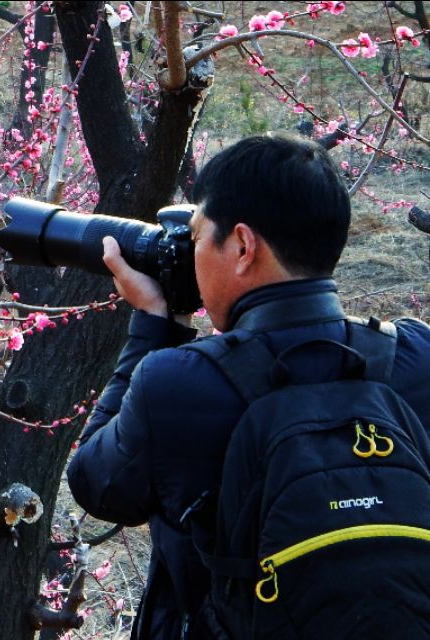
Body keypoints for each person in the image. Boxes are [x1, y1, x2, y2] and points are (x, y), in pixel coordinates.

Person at [65, 133, 430, 639]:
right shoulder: (416, 357)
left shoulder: (176, 383)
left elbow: (96, 485)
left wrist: (154, 323)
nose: (190, 256)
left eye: (195, 238)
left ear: (241, 246)